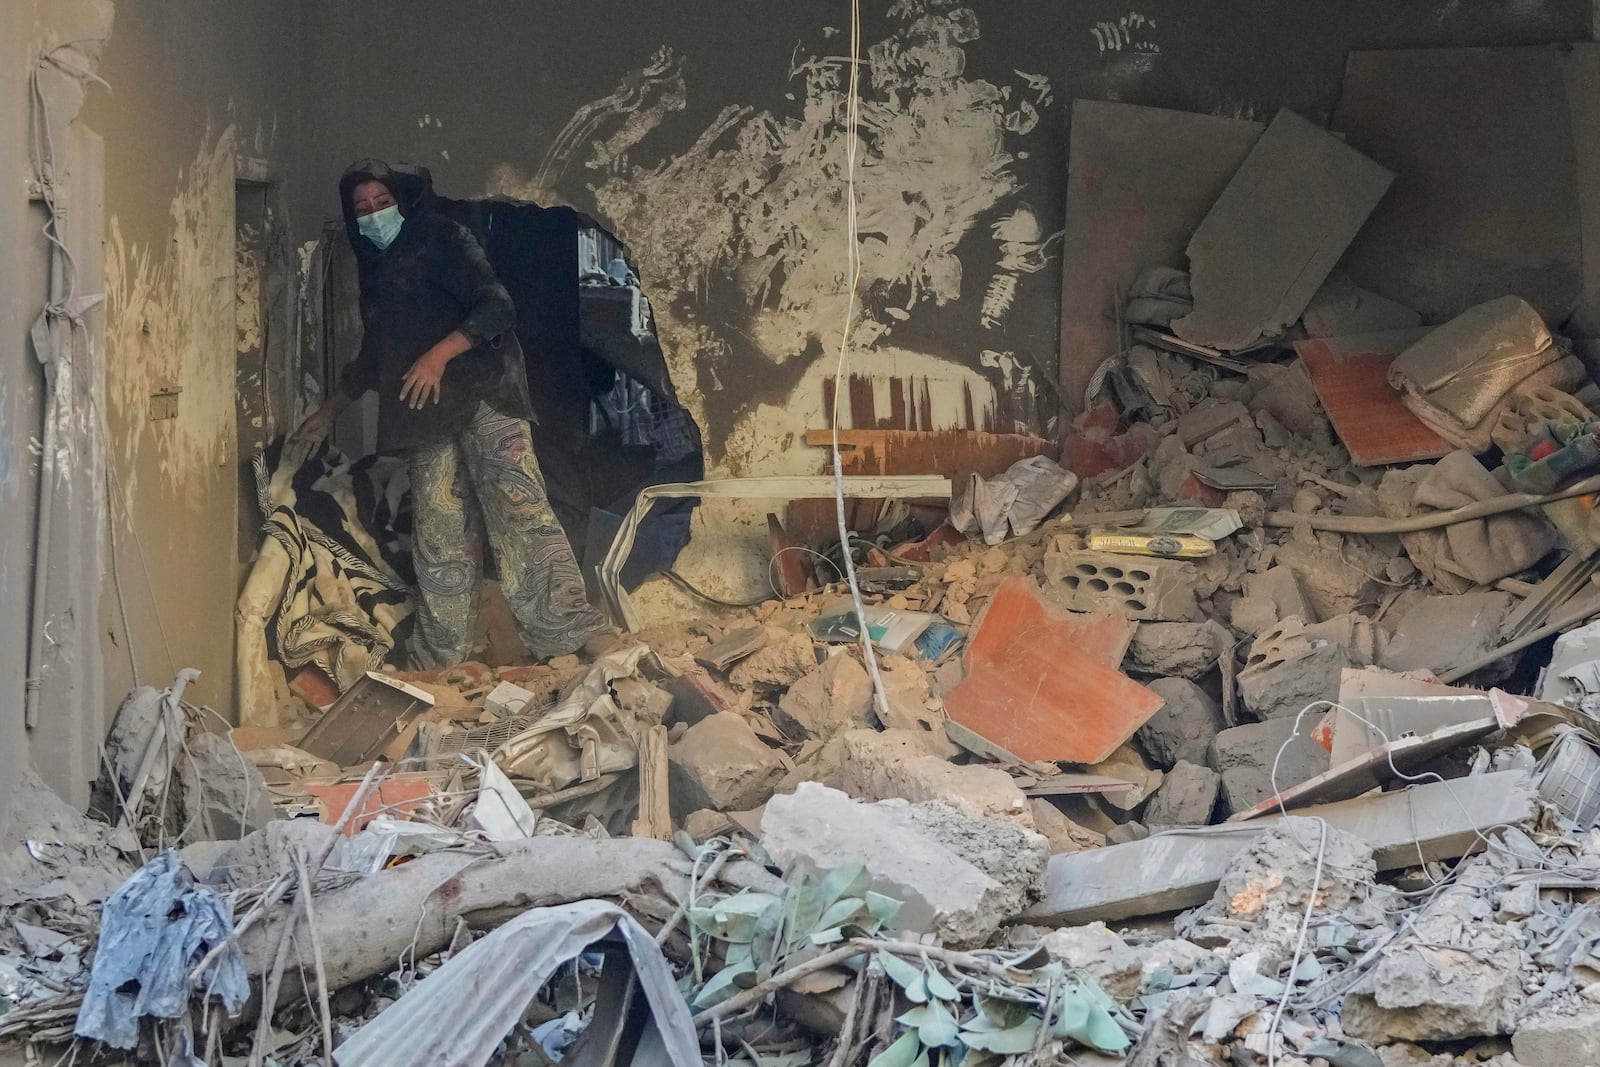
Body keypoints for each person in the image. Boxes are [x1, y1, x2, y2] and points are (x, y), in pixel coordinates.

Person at [294, 159, 609, 668]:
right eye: (362, 208)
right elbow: (375, 356)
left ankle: (570, 634)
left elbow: (498, 307)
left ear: (402, 201)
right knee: (440, 536)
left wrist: (438, 355)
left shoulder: (443, 238)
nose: (374, 214)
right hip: (426, 415)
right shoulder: (375, 268)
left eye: (382, 202)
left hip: (486, 396)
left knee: (520, 515)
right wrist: (331, 411)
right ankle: (443, 657)